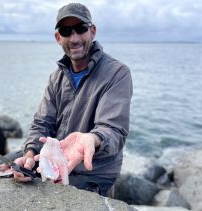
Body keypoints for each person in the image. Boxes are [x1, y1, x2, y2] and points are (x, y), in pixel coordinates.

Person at [11, 2, 133, 197]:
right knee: (8, 169)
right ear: (58, 38)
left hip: (94, 173)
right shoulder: (56, 78)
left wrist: (92, 139)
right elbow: (42, 123)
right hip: (54, 162)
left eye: (80, 29)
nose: (74, 38)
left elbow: (113, 130)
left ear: (93, 31)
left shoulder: (117, 73)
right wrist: (30, 153)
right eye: (66, 31)